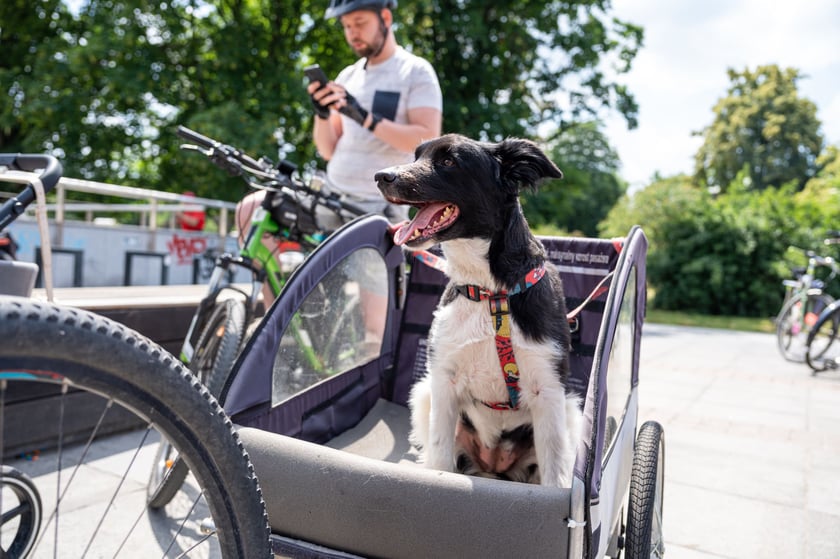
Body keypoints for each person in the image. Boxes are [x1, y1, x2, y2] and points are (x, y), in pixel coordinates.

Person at [235, 0, 443, 307]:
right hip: (330, 198)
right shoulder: (348, 76)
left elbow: (426, 138)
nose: (352, 33)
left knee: (375, 325)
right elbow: (327, 149)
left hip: (377, 208)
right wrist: (322, 114)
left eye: (360, 23)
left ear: (385, 18)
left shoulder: (414, 71)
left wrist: (364, 117)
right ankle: (277, 319)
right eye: (346, 26)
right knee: (251, 209)